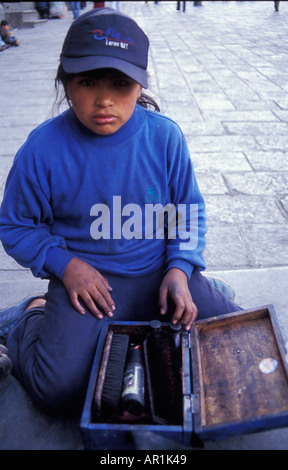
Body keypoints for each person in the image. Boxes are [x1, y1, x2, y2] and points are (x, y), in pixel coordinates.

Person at [0, 8, 241, 414]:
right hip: (89, 291)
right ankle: (28, 317)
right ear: (65, 81)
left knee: (235, 345)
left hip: (160, 278)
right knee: (56, 392)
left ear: (140, 83)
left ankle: (200, 285)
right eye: (88, 81)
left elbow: (188, 211)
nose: (104, 99)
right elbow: (15, 224)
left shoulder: (164, 137)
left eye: (120, 83)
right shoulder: (42, 149)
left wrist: (180, 268)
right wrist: (65, 265)